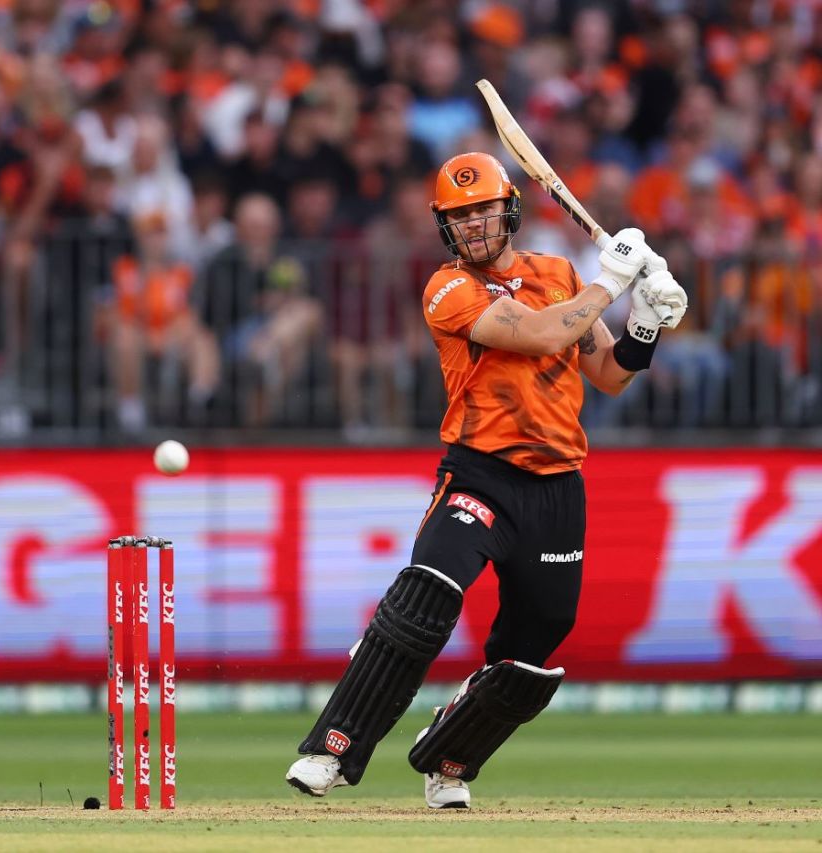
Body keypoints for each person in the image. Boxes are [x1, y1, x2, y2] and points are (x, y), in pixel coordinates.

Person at [285, 152, 687, 808]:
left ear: (510, 210)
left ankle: (449, 759)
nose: (474, 224)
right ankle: (331, 749)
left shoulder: (557, 273)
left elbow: (611, 375)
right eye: (459, 215)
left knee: (532, 651)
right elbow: (532, 334)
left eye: (483, 209)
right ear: (445, 227)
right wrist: (610, 283)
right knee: (426, 598)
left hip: (558, 486)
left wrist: (647, 318)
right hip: (481, 471)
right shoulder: (447, 288)